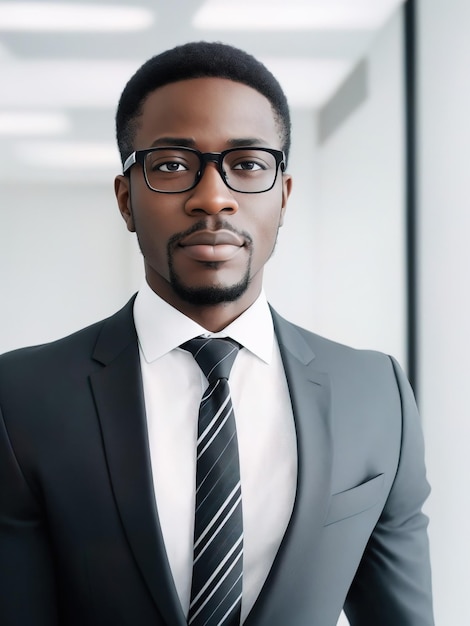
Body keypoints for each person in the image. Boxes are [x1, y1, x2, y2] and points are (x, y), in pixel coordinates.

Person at [0, 42, 433, 626]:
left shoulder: (376, 392)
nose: (212, 198)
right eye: (173, 165)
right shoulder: (22, 396)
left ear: (282, 196)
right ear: (127, 199)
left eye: (249, 163)